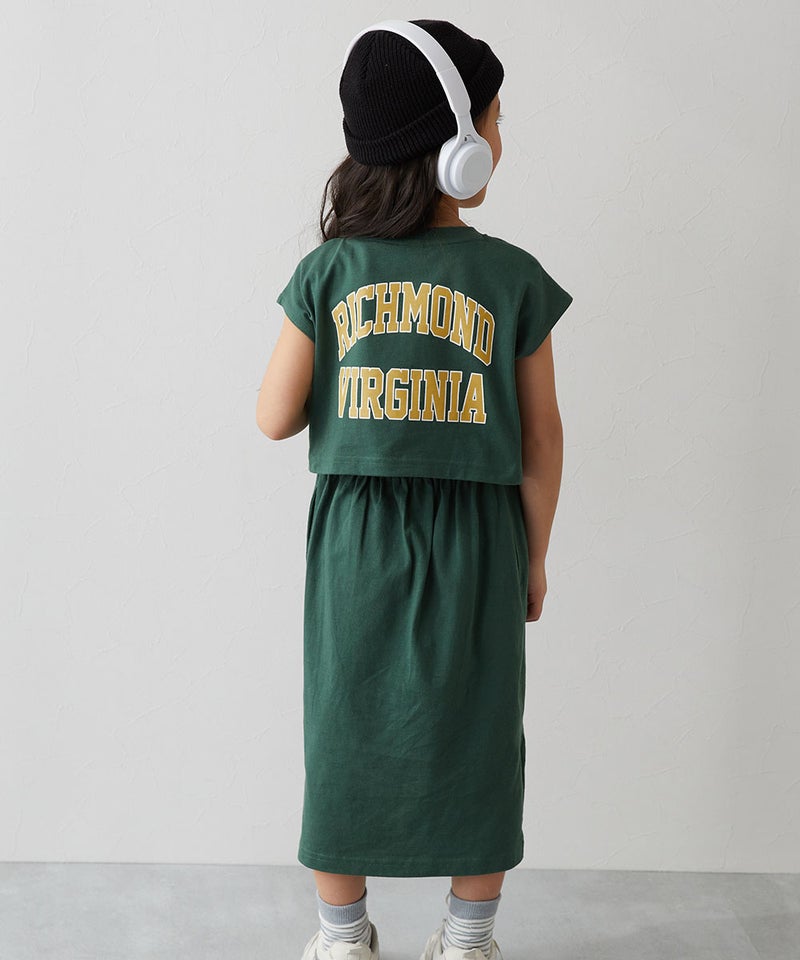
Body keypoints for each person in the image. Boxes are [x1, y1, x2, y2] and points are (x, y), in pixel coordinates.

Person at [256, 18, 573, 960]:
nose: (501, 135)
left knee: (343, 724)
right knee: (481, 730)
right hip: (480, 536)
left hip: (357, 539)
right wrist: (535, 557)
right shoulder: (510, 278)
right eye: (494, 118)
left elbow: (273, 417)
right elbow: (543, 436)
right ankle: (468, 939)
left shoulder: (329, 271)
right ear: (457, 145)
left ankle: (342, 936)